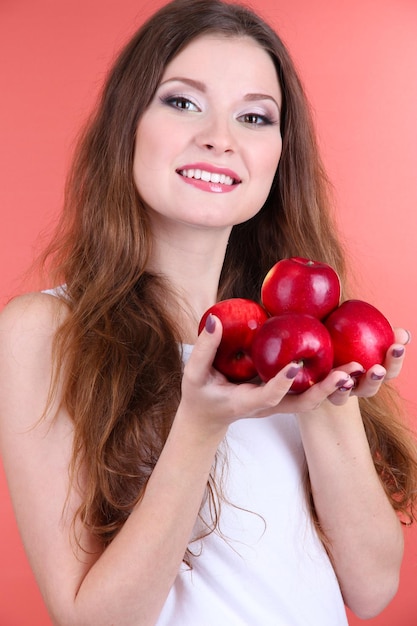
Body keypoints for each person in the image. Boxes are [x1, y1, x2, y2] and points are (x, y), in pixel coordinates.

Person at [0, 1, 416, 624]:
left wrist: (330, 400)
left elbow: (371, 586)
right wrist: (198, 428)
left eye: (254, 116)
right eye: (182, 102)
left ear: (279, 155)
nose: (220, 137)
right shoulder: (43, 332)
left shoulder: (303, 335)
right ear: (127, 124)